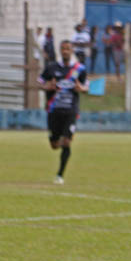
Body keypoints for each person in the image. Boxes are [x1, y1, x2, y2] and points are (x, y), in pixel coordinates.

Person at [38, 40, 87, 184]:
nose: (65, 51)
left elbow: (86, 87)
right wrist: (47, 86)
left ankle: (60, 175)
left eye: (68, 49)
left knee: (66, 142)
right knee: (54, 145)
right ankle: (59, 140)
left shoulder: (79, 69)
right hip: (54, 110)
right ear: (60, 50)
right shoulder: (51, 68)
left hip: (70, 111)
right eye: (63, 49)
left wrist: (81, 89)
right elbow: (39, 82)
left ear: (72, 51)